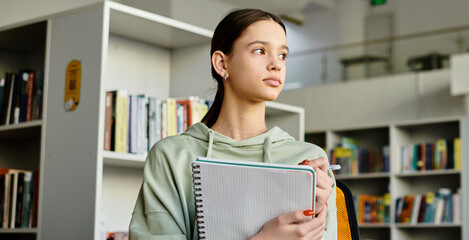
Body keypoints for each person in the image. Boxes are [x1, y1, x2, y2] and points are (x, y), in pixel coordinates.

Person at [128, 9, 337, 240]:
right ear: (221, 63)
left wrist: (316, 212)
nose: (276, 64)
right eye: (260, 50)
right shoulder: (172, 156)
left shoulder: (309, 161)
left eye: (283, 55)